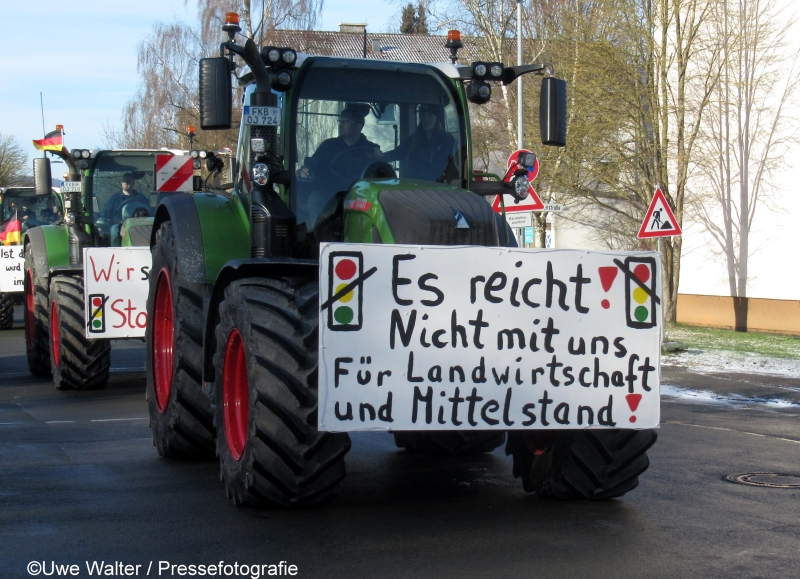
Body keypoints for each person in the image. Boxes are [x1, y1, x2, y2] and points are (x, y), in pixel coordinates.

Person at [298, 103, 382, 188]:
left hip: (360, 195)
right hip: (329, 194)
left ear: (358, 126)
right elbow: (312, 165)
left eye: (345, 122)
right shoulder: (328, 146)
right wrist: (304, 171)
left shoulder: (370, 150)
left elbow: (378, 175)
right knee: (315, 197)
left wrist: (379, 155)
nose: (341, 125)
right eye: (340, 121)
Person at [383, 103, 456, 182]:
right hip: (413, 187)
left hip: (437, 189)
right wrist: (379, 157)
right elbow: (396, 153)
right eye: (423, 116)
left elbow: (454, 167)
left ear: (437, 118)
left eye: (430, 115)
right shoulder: (414, 140)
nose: (426, 119)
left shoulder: (446, 141)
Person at [101, 173, 148, 246]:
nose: (126, 183)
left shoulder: (141, 198)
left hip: (138, 225)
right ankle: (116, 251)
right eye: (124, 181)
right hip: (120, 225)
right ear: (121, 183)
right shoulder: (114, 198)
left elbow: (149, 210)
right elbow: (105, 212)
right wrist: (114, 218)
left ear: (133, 183)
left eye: (128, 181)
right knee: (114, 230)